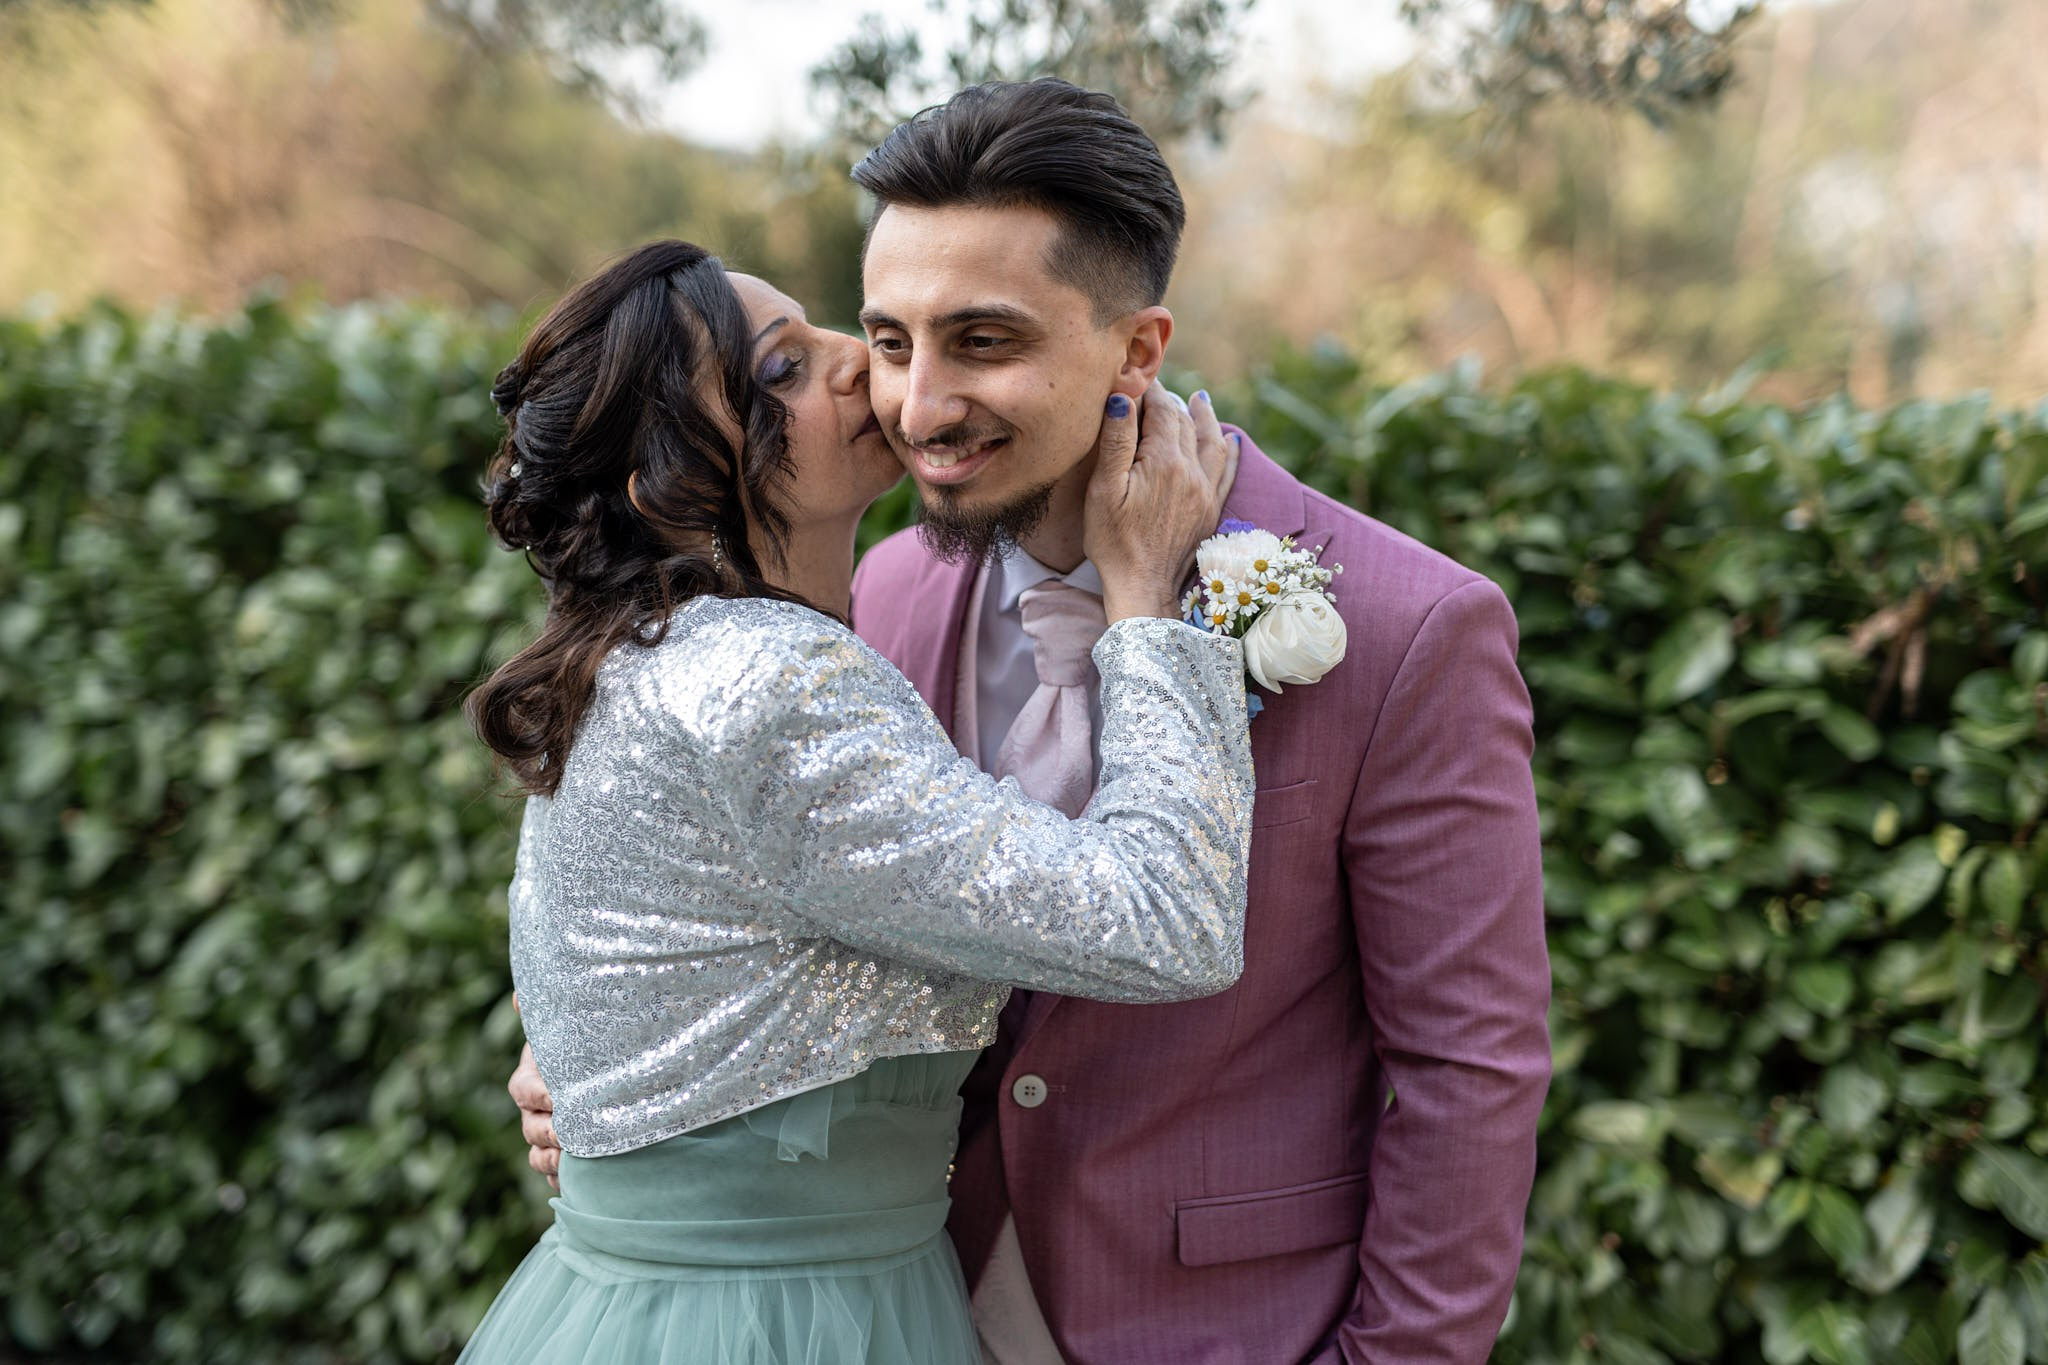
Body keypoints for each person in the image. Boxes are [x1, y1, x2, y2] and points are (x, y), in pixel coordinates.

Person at [520, 80, 1552, 1363]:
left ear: (1137, 350)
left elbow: (1469, 1070)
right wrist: (613, 1059)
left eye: (982, 342)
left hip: (1224, 1330)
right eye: (888, 340)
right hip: (896, 1306)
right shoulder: (877, 592)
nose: (917, 405)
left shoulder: (1411, 627)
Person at [461, 237, 1252, 1365]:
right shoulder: (766, 681)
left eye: (835, 326)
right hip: (775, 1325)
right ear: (665, 483)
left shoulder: (644, 657)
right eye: (784, 368)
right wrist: (1144, 606)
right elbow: (1166, 922)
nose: (861, 363)